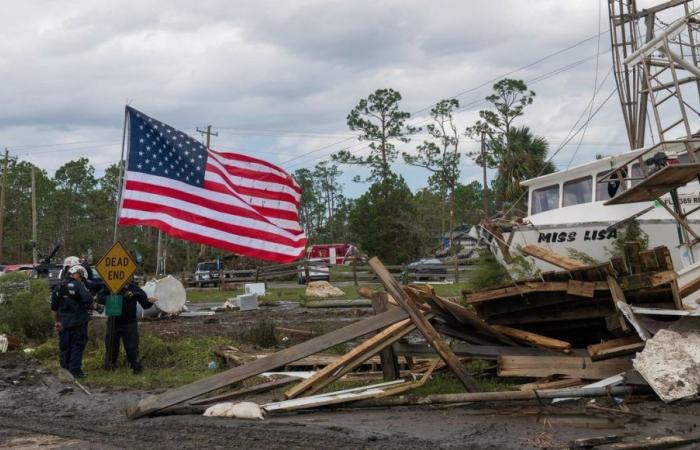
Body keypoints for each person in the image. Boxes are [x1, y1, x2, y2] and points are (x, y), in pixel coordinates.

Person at [98, 278, 157, 374]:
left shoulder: (134, 288)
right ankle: (110, 366)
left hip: (129, 322)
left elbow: (145, 304)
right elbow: (100, 298)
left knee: (132, 346)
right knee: (111, 345)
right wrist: (116, 297)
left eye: (130, 277)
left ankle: (135, 368)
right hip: (114, 321)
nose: (128, 279)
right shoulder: (111, 286)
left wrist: (150, 302)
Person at [50, 265, 92, 378]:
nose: (81, 279)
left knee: (65, 346)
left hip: (64, 323)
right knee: (78, 345)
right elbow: (88, 299)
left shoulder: (58, 287)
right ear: (77, 274)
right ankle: (75, 371)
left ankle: (65, 369)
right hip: (78, 322)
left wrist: (57, 322)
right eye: (81, 277)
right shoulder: (78, 285)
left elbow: (54, 309)